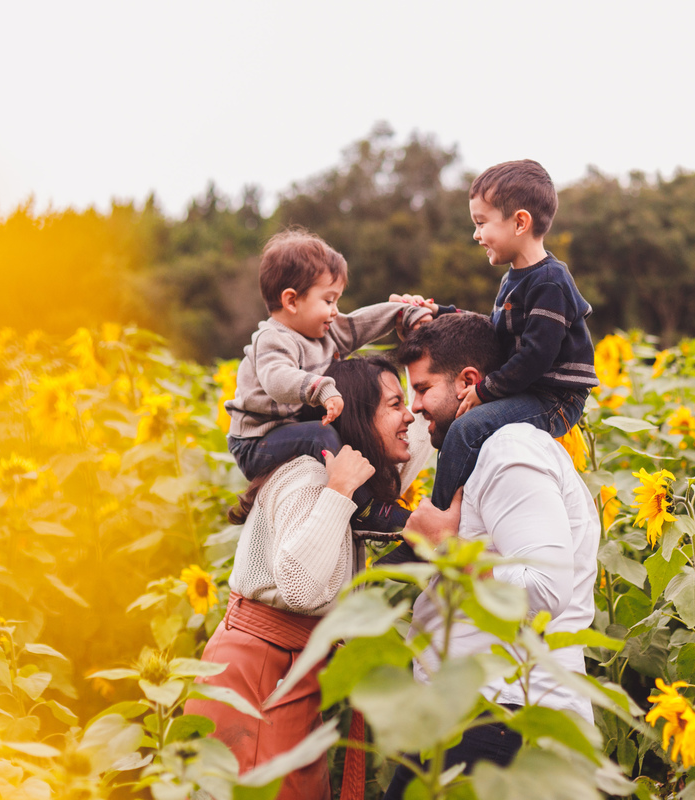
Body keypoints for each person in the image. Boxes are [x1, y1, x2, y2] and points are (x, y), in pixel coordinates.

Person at [186, 356, 431, 800]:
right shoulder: (309, 475)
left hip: (286, 670)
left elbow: (415, 438)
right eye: (396, 404)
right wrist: (337, 492)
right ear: (358, 416)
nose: (410, 415)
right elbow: (300, 587)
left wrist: (430, 347)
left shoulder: (352, 475)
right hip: (257, 673)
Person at [382, 313, 599, 799]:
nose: (415, 408)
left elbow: (545, 586)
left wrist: (446, 551)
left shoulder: (509, 451)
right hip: (478, 718)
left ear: (469, 382)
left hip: (502, 721)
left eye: (422, 389)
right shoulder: (487, 451)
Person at [393, 159, 598, 513]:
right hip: (529, 390)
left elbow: (537, 356)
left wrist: (485, 390)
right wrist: (438, 313)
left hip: (555, 399)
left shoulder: (550, 282)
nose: (475, 235)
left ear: (520, 222)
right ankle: (469, 506)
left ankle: (439, 520)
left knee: (466, 429)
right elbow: (492, 330)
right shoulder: (514, 279)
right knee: (455, 423)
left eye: (481, 223)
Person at [227, 228, 432, 531]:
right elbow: (277, 380)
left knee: (346, 429)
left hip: (289, 431)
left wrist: (404, 313)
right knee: (320, 436)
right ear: (292, 301)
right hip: (258, 443)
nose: (336, 312)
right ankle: (367, 509)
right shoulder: (273, 339)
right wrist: (322, 389)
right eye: (329, 300)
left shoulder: (323, 330)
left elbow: (363, 322)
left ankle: (373, 493)